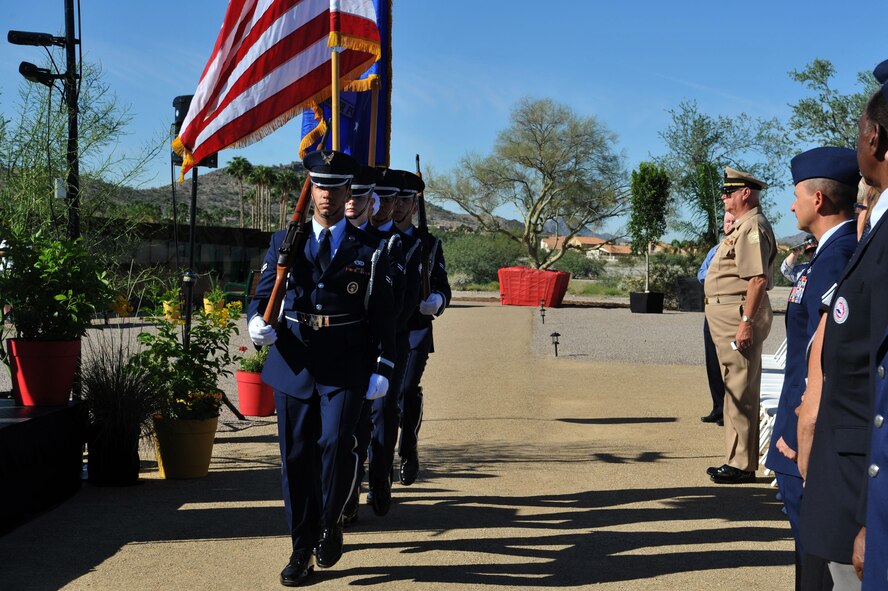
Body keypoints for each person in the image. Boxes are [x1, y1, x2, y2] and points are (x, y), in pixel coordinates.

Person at [247, 150, 396, 587]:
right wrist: (256, 322)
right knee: (295, 457)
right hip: (293, 358)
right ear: (310, 189)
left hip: (347, 361)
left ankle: (331, 523)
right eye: (319, 186)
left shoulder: (370, 249)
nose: (327, 196)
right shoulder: (284, 242)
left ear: (350, 192)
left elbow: (383, 316)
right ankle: (300, 547)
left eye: (335, 188)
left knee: (333, 443)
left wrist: (383, 366)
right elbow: (261, 296)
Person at [797, 86, 888, 590]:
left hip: (863, 492)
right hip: (850, 487)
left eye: (859, 133)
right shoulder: (875, 231)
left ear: (874, 140)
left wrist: (872, 517)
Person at [764, 147, 859, 590]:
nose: (791, 204)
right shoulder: (825, 255)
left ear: (817, 200)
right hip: (795, 427)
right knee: (807, 554)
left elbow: (823, 358)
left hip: (803, 435)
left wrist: (802, 432)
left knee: (817, 562)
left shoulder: (838, 257)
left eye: (796, 194)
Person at [703, 166, 776, 484]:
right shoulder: (742, 227)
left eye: (729, 192)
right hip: (728, 316)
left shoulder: (751, 227)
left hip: (737, 317)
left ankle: (741, 464)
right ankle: (737, 460)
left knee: (741, 389)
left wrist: (746, 322)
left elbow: (757, 279)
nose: (724, 196)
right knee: (735, 388)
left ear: (746, 193)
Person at [393, 172, 451, 486]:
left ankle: (409, 447)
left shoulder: (428, 243)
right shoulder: (376, 239)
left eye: (406, 200)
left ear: (414, 206)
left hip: (414, 330)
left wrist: (438, 300)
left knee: (404, 389)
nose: (399, 205)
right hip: (381, 332)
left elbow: (444, 286)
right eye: (395, 198)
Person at [697, 212, 734, 426]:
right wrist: (712, 276)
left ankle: (731, 410)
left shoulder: (741, 247)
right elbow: (701, 273)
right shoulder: (715, 249)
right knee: (712, 360)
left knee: (728, 362)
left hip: (729, 312)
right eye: (726, 221)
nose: (729, 224)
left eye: (732, 221)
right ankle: (718, 407)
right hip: (711, 309)